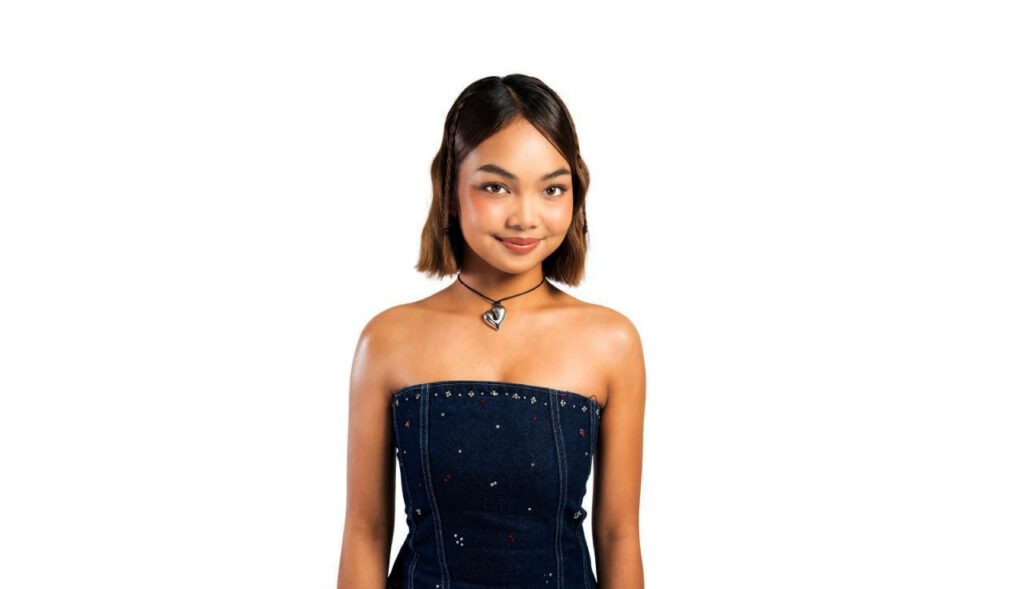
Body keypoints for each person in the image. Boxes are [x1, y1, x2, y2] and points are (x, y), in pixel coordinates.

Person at [337, 74, 646, 589]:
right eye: (496, 187)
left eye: (552, 189)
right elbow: (365, 533)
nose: (525, 217)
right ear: (450, 188)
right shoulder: (387, 340)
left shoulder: (611, 342)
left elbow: (619, 535)